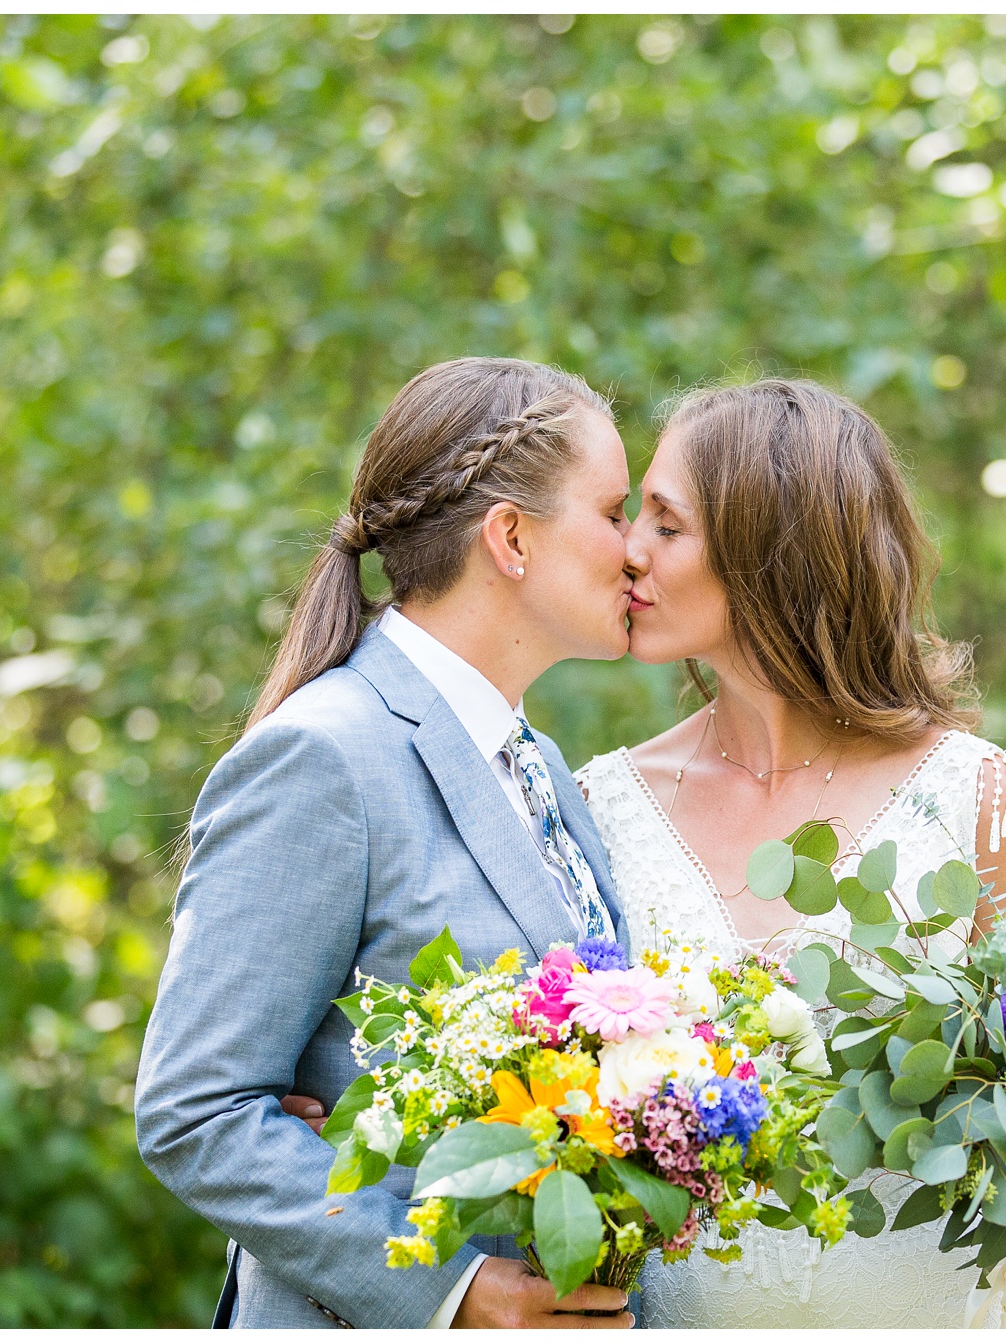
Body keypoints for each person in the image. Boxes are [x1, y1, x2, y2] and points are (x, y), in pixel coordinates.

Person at [575, 379, 1006, 1328]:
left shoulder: (975, 798)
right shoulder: (598, 805)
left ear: (770, 553)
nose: (629, 550)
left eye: (667, 524)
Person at [135, 358, 640, 1329]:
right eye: (613, 510)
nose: (635, 551)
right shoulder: (324, 758)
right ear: (511, 536)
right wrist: (455, 1292)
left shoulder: (537, 760)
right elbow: (193, 1109)